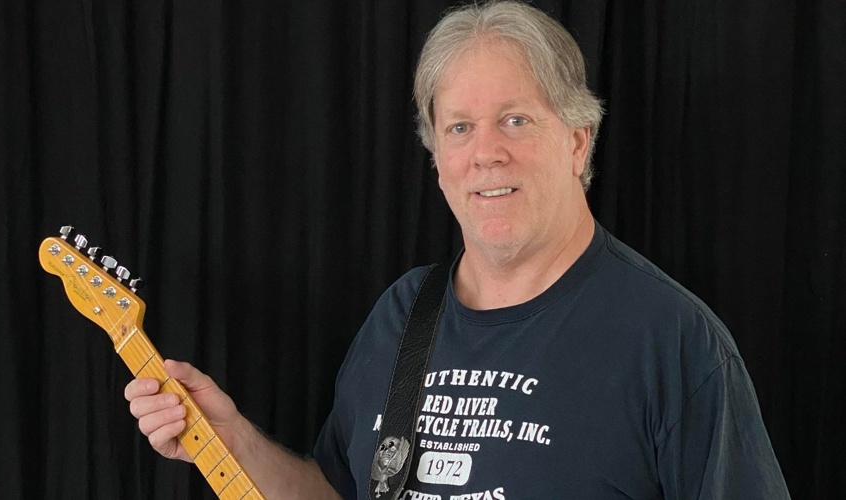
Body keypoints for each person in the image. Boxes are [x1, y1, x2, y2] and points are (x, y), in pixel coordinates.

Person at [125, 1, 791, 498]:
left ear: (577, 141)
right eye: (460, 127)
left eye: (515, 120)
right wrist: (232, 439)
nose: (485, 153)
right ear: (437, 158)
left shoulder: (673, 341)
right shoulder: (402, 313)